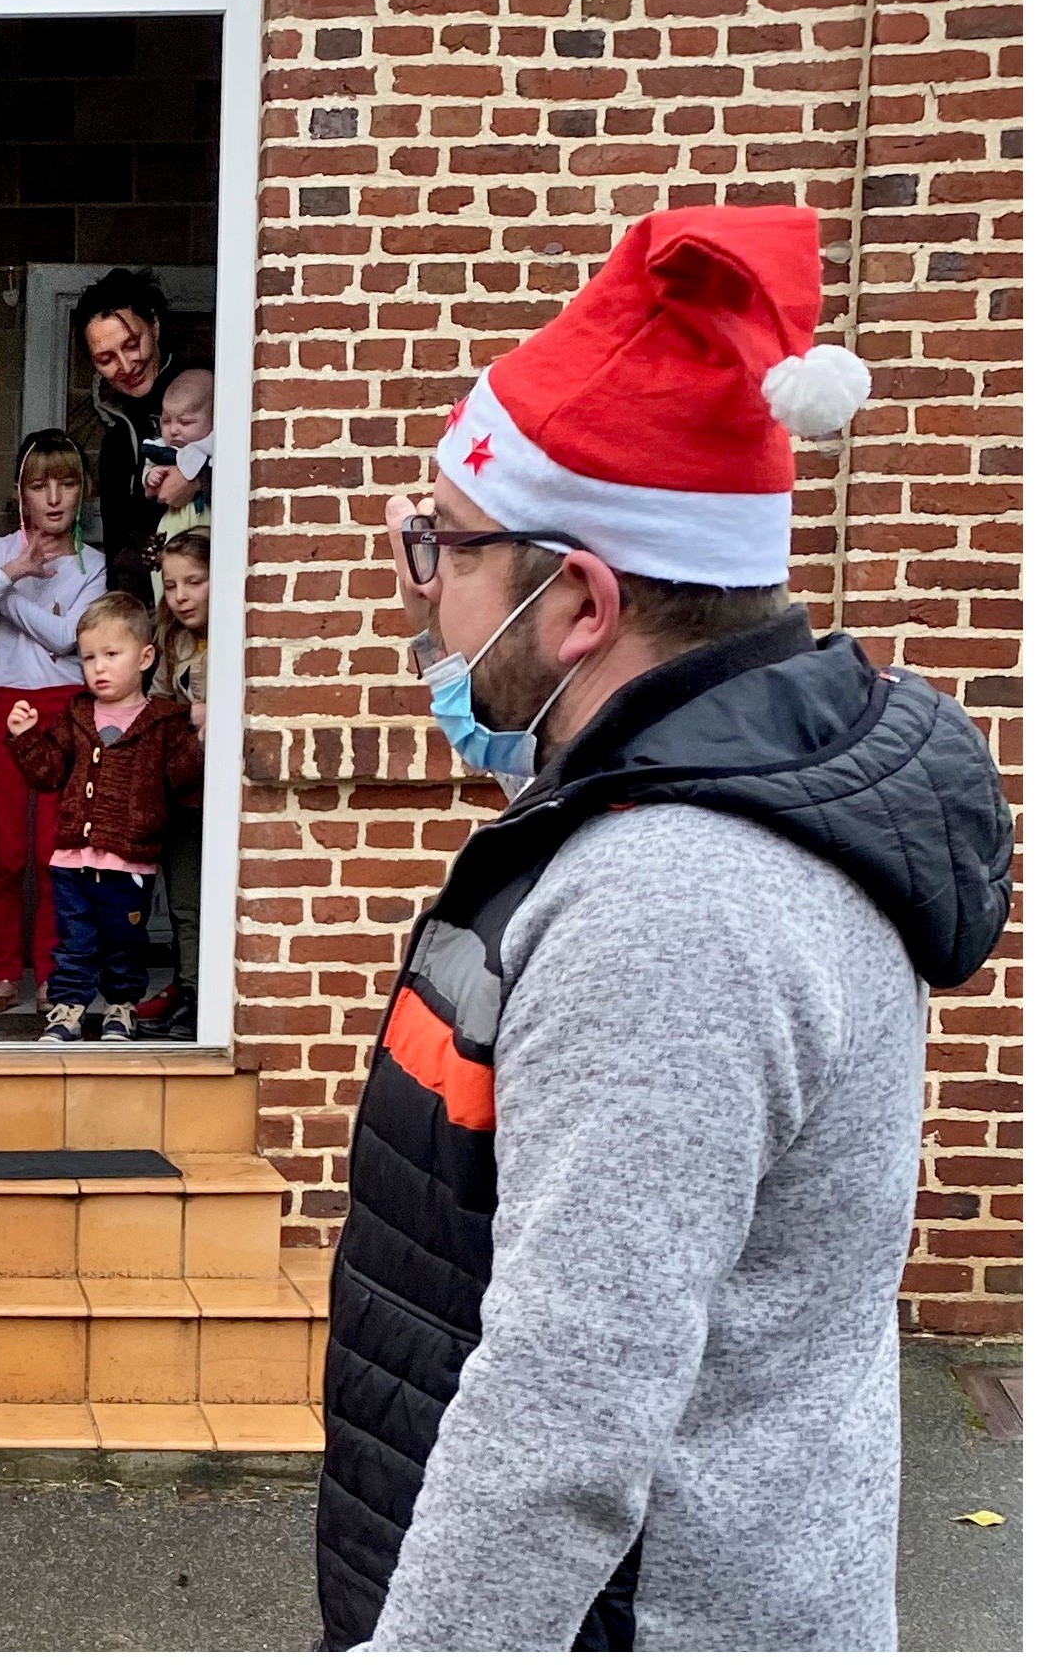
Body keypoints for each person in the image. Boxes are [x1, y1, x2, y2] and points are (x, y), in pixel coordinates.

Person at [313, 206, 1013, 1651]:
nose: (419, 587)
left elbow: (557, 1439)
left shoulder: (671, 907)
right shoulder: (671, 810)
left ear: (578, 599)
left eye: (438, 542)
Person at [4, 592, 203, 1046]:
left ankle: (120, 1008)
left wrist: (200, 741)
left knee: (123, 945)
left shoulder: (162, 721)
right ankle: (69, 1008)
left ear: (145, 656)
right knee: (74, 943)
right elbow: (49, 773)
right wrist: (24, 738)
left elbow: (180, 779)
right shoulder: (75, 715)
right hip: (72, 860)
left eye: (112, 655)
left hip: (129, 864)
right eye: (89, 657)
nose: (99, 667)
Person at [0, 428, 107, 1019]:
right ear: (20, 492)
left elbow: (71, 637)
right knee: (3, 851)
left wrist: (7, 598)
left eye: (67, 483)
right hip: (3, 703)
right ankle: (3, 975)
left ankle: (51, 975)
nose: (53, 497)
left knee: (56, 848)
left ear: (82, 492)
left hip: (66, 706)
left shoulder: (93, 563)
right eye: (39, 484)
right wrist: (14, 572)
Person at [74, 266, 190, 604]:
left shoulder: (206, 391)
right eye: (106, 358)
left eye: (131, 344)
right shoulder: (115, 442)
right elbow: (118, 553)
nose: (125, 366)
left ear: (153, 324)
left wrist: (198, 479)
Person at [144, 527, 212, 1041]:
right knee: (185, 901)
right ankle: (189, 994)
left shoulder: (240, 636)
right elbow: (164, 706)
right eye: (171, 586)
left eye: (195, 581)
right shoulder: (173, 639)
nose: (182, 596)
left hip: (225, 792)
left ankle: (208, 996)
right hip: (184, 790)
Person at [152, 366, 216, 544]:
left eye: (185, 422)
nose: (173, 430)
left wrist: (198, 482)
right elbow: (148, 472)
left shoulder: (222, 451)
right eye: (165, 421)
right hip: (171, 529)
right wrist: (151, 479)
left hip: (208, 532)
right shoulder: (162, 450)